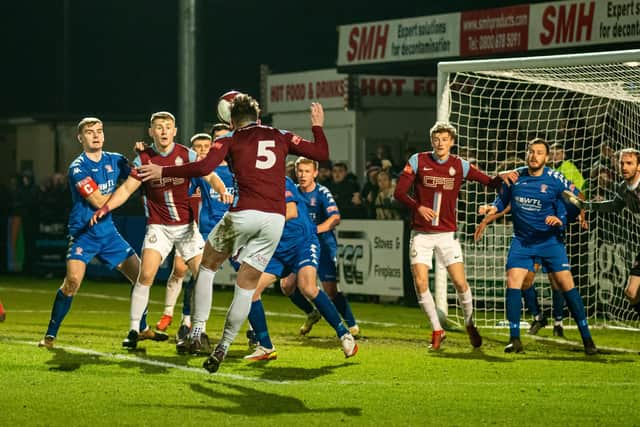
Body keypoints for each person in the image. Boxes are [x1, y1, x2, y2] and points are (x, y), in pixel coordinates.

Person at [135, 96, 334, 373]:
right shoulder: (280, 135)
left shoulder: (230, 139)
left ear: (231, 120)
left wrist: (163, 169)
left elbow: (203, 168)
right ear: (258, 115)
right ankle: (225, 345)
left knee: (206, 266)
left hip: (242, 214)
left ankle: (198, 328)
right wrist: (317, 126)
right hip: (274, 221)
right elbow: (322, 153)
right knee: (246, 286)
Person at [91, 112, 223, 350]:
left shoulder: (187, 154)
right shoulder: (143, 159)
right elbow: (126, 190)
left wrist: (221, 189)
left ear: (175, 131)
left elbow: (210, 175)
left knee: (203, 275)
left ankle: (198, 330)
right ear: (151, 132)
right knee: (147, 275)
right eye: (158, 127)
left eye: (168, 127)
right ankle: (133, 329)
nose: (163, 131)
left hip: (186, 228)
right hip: (159, 227)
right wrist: (106, 207)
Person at [38, 117, 165, 349]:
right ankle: (50, 334)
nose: (96, 135)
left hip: (109, 234)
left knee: (141, 278)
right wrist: (125, 190)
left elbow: (142, 176)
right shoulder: (78, 167)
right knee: (72, 282)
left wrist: (146, 154)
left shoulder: (115, 160)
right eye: (90, 132)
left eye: (99, 131)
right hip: (84, 234)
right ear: (80, 138)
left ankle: (143, 328)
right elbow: (98, 201)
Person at [394, 121, 517, 350]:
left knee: (460, 283)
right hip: (421, 233)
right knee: (420, 282)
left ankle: (469, 323)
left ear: (452, 142)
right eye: (436, 139)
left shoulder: (461, 166)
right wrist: (418, 207)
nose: (440, 143)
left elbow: (490, 183)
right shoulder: (417, 160)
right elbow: (399, 192)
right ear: (432, 141)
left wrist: (501, 175)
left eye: (445, 139)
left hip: (447, 234)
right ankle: (437, 330)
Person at [483, 137, 597, 354]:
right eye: (531, 151)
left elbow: (578, 198)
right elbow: (502, 201)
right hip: (522, 241)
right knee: (514, 281)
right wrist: (490, 208)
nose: (534, 156)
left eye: (539, 153)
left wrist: (565, 218)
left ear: (546, 157)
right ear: (527, 154)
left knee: (566, 285)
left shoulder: (556, 178)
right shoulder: (515, 176)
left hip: (550, 241)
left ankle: (587, 340)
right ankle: (514, 339)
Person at [245, 176, 358, 361]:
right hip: (278, 248)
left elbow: (291, 212)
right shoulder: (250, 184)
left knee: (308, 287)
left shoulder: (280, 180)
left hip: (302, 241)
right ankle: (266, 346)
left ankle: (345, 334)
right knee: (250, 291)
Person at [154, 128, 234, 354]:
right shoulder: (194, 173)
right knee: (186, 271)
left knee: (246, 279)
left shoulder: (232, 171)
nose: (201, 151)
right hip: (197, 230)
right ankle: (184, 322)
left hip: (230, 231)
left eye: (206, 147)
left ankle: (255, 333)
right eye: (197, 148)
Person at [565, 148, 640, 319]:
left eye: (629, 163)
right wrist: (585, 205)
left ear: (639, 166)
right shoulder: (623, 188)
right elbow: (613, 206)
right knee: (631, 293)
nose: (624, 167)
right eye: (622, 163)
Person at [293, 157, 360, 336]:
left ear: (315, 173)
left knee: (330, 290)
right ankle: (311, 313)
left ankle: (351, 324)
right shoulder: (292, 191)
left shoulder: (322, 192)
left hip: (323, 245)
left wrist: (314, 230)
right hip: (299, 246)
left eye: (307, 171)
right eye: (300, 171)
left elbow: (335, 218)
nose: (302, 175)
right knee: (287, 285)